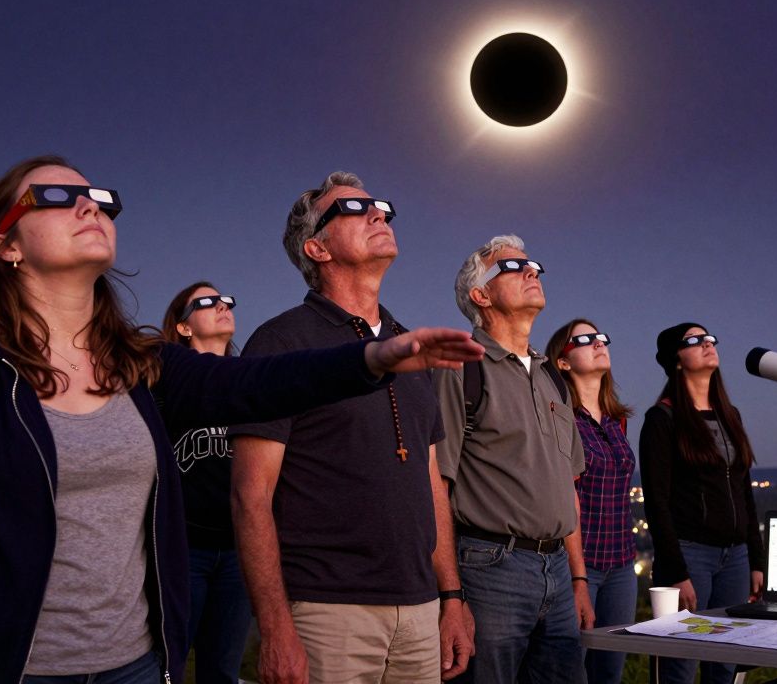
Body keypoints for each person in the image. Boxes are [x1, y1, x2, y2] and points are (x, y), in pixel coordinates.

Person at [0, 155, 482, 684]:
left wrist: (372, 357)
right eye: (57, 197)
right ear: (7, 246)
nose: (90, 208)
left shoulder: (140, 366)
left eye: (100, 200)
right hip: (7, 666)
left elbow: (250, 385)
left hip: (134, 664)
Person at [231, 171, 471, 684]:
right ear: (317, 249)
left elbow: (431, 483)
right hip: (325, 611)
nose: (379, 213)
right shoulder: (281, 344)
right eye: (356, 209)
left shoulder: (413, 346)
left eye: (380, 206)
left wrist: (450, 597)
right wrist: (274, 628)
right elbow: (251, 496)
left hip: (421, 610)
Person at [434, 235, 593, 684]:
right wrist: (451, 595)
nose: (532, 271)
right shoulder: (459, 367)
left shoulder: (552, 379)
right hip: (490, 571)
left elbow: (568, 487)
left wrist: (578, 581)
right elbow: (434, 487)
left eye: (533, 265)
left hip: (558, 574)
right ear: (480, 296)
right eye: (511, 267)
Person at [639, 322, 764, 684]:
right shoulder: (662, 419)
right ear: (676, 360)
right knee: (681, 661)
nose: (708, 344)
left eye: (709, 338)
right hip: (691, 554)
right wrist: (677, 571)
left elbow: (744, 491)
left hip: (736, 556)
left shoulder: (730, 415)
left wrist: (756, 559)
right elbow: (657, 502)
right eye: (695, 341)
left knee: (724, 661)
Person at [160, 283, 251, 684]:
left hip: (238, 551)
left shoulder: (249, 381)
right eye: (207, 302)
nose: (222, 305)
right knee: (166, 666)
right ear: (182, 327)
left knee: (222, 673)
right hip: (183, 550)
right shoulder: (162, 382)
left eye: (226, 300)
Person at [543, 319, 636, 684]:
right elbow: (564, 498)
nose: (598, 343)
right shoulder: (561, 419)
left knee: (610, 673)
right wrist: (578, 574)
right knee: (572, 671)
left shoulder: (617, 421)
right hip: (579, 567)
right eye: (584, 340)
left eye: (600, 337)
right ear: (563, 362)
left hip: (623, 565)